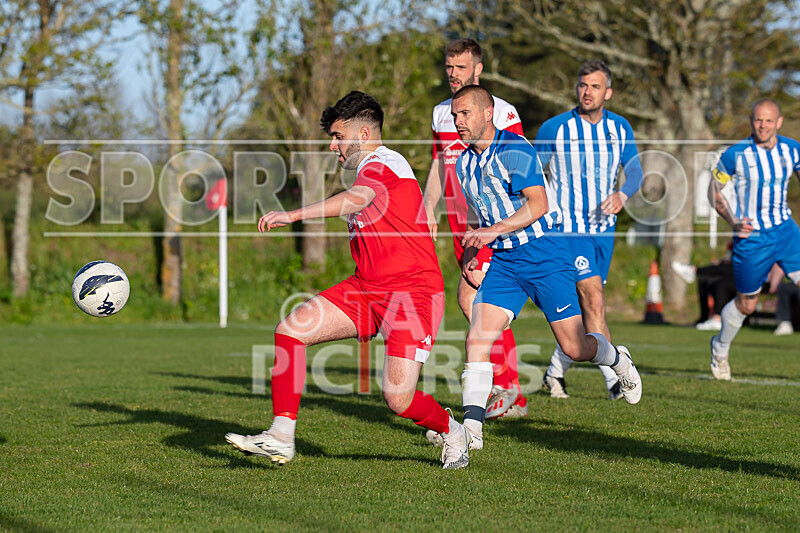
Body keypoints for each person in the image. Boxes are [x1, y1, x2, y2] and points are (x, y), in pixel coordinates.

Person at [225, 91, 473, 470]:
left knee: (398, 399)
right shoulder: (369, 168)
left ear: (363, 132)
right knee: (291, 330)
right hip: (365, 288)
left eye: (339, 136)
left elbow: (355, 199)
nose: (332, 145)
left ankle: (453, 431)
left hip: (412, 293)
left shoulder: (383, 163)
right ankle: (280, 436)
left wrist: (291, 215)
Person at [427, 85, 642, 451]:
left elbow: (538, 204)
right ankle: (471, 434)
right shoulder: (464, 163)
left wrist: (491, 231)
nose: (457, 121)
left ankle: (618, 359)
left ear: (487, 114)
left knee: (574, 347)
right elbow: (480, 218)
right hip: (506, 263)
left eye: (465, 114)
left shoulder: (515, 149)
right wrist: (471, 256)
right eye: (455, 115)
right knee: (477, 338)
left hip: (545, 255)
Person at [423, 38, 528, 419]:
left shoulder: (500, 112)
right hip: (458, 223)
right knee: (475, 301)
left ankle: (509, 386)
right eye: (449, 67)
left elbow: (519, 163)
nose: (453, 75)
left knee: (478, 300)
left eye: (461, 68)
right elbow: (440, 163)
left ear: (478, 70)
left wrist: (502, 222)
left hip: (488, 224)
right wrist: (427, 206)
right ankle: (508, 389)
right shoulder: (442, 114)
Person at [534, 60, 644, 399]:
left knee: (589, 307)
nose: (587, 91)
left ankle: (554, 373)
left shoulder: (620, 127)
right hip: (567, 229)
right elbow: (532, 174)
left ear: (607, 92)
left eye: (595, 86)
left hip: (604, 230)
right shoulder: (555, 128)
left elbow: (636, 170)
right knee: (593, 300)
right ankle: (616, 378)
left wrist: (623, 194)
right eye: (583, 85)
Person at [708, 98, 800, 379]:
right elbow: (714, 192)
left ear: (779, 122)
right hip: (752, 238)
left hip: (785, 231)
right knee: (747, 304)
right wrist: (734, 222)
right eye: (758, 120)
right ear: (752, 121)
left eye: (769, 121)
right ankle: (720, 348)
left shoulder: (792, 150)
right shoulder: (735, 154)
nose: (763, 125)